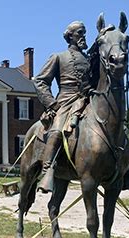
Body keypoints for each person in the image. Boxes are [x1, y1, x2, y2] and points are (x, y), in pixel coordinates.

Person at [34, 21, 93, 193]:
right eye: (80, 33)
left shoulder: (89, 59)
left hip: (88, 100)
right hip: (66, 100)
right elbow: (40, 81)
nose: (83, 36)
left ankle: (124, 169)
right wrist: (51, 103)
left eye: (84, 33)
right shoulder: (58, 57)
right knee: (58, 131)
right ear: (70, 36)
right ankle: (47, 170)